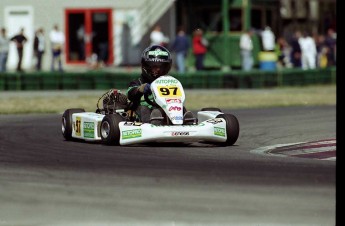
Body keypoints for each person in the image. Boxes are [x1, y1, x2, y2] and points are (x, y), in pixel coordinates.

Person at [126, 45, 194, 125]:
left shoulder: (168, 82)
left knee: (179, 106)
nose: (158, 70)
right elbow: (130, 94)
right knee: (144, 109)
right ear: (146, 66)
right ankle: (153, 123)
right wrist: (140, 89)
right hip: (143, 113)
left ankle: (186, 120)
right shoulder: (138, 82)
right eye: (154, 67)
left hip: (165, 109)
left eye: (161, 67)